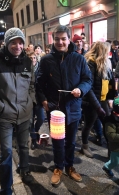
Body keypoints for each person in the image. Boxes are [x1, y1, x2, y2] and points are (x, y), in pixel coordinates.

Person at [0, 27, 36, 195]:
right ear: (6, 43)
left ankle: (24, 169)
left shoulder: (27, 62)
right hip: (5, 117)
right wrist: (1, 107)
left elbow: (32, 85)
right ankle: (6, 191)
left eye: (20, 42)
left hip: (25, 114)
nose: (17, 46)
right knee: (6, 153)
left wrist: (30, 102)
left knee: (24, 145)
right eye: (13, 42)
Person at [36, 25, 92, 186]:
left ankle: (69, 166)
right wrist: (44, 100)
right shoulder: (46, 60)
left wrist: (80, 90)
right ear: (53, 40)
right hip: (55, 109)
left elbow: (87, 80)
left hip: (73, 107)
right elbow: (39, 83)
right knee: (57, 141)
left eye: (63, 38)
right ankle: (58, 167)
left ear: (69, 39)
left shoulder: (79, 58)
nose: (60, 42)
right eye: (57, 39)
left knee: (72, 141)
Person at [80, 41, 115, 158]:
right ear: (102, 51)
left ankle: (112, 152)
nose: (109, 53)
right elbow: (88, 86)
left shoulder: (105, 63)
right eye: (107, 51)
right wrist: (97, 106)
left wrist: (111, 97)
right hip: (91, 101)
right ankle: (84, 145)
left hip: (102, 99)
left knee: (108, 125)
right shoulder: (90, 63)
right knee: (89, 124)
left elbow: (110, 82)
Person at [28, 52, 45, 150]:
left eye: (34, 57)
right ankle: (34, 139)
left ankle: (36, 131)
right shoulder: (25, 69)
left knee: (41, 118)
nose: (33, 59)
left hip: (38, 100)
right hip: (29, 100)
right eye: (31, 58)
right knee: (30, 122)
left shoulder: (40, 69)